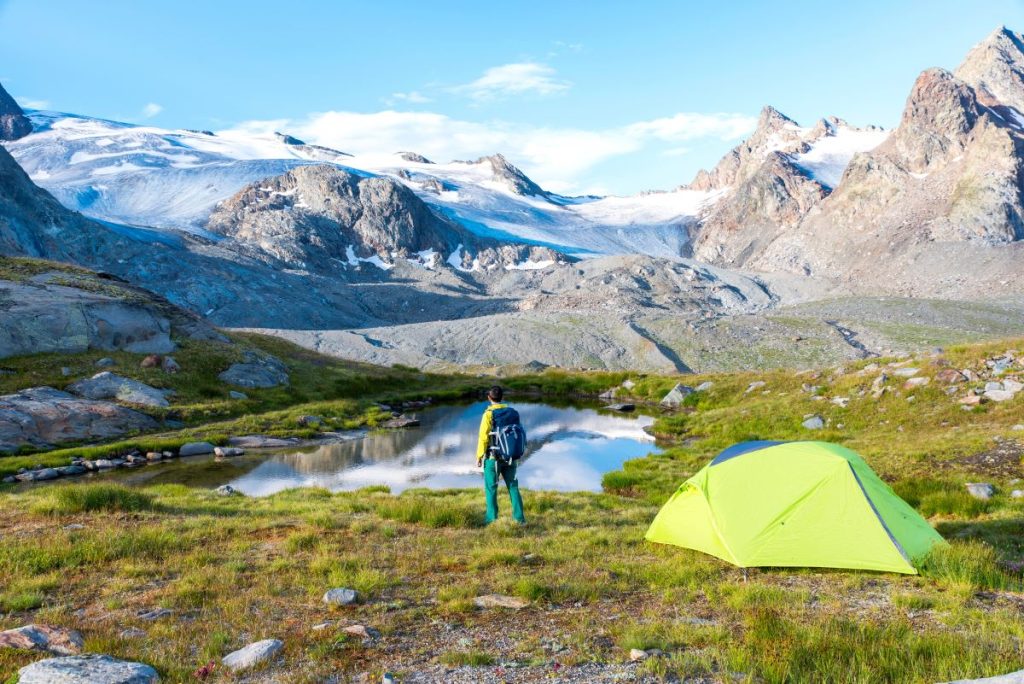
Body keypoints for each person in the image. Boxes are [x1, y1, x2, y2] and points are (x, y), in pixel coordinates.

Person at [476, 385, 526, 524]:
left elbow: (483, 437)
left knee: (491, 487)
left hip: (493, 458)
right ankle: (520, 519)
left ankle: (491, 519)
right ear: (502, 397)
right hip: (511, 456)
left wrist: (479, 456)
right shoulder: (513, 412)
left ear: (489, 398)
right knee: (513, 486)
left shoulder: (488, 414)